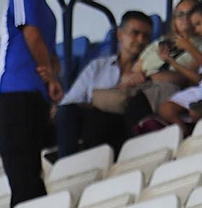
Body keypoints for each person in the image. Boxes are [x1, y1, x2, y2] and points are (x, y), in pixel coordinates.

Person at [55, 11, 153, 158]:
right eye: (135, 33)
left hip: (123, 125)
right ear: (120, 35)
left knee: (96, 120)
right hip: (94, 124)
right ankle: (65, 164)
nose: (140, 40)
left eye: (145, 36)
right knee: (66, 113)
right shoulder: (98, 66)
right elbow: (71, 101)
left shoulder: (150, 69)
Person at [0, 0, 60, 208]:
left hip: (14, 93)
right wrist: (51, 77)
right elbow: (54, 59)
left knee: (20, 172)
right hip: (36, 96)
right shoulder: (49, 13)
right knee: (30, 172)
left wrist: (50, 79)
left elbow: (31, 34)